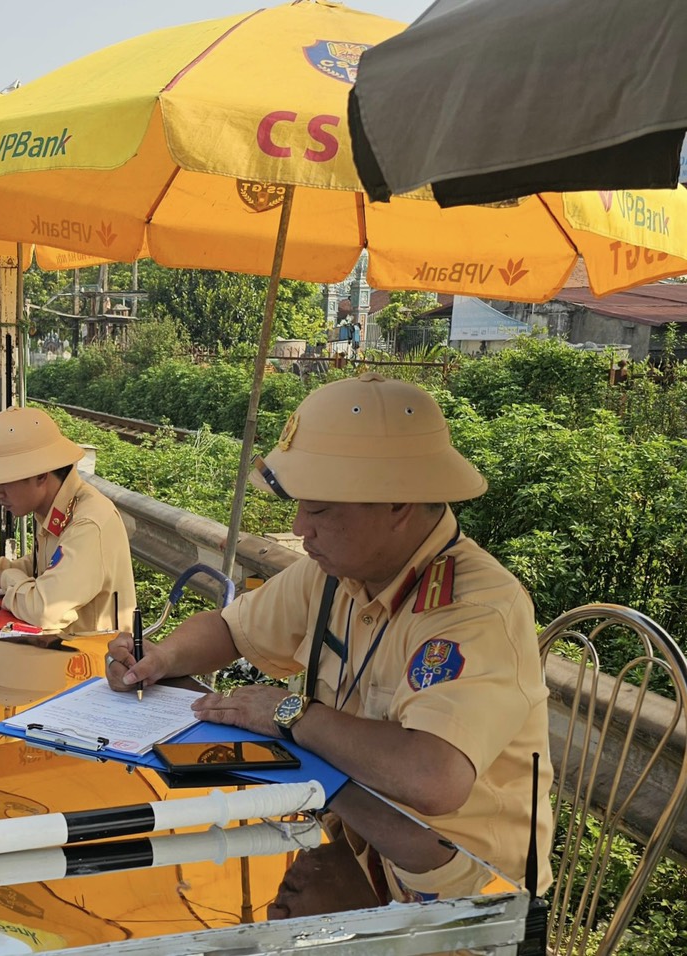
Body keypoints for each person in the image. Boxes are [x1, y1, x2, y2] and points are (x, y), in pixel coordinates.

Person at [106, 372, 553, 916]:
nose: (300, 529)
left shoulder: (475, 612)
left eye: (317, 511)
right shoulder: (338, 573)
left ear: (398, 504)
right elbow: (231, 628)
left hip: (456, 891)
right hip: (348, 835)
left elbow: (433, 777)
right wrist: (162, 657)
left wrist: (291, 713)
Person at [0, 406, 137, 635]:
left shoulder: (88, 524)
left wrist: (5, 577)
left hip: (94, 665)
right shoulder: (54, 507)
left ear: (41, 475)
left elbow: (46, 611)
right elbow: (42, 571)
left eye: (4, 481)